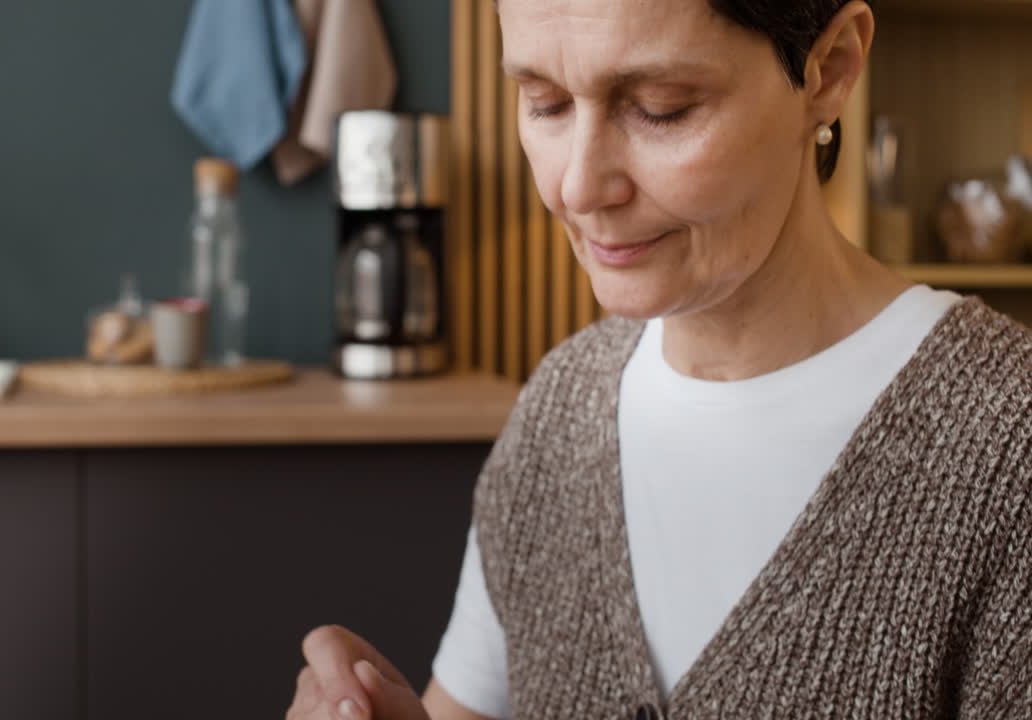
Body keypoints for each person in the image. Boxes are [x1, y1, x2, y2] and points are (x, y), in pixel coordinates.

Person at [287, 0, 1032, 718]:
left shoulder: (1006, 444)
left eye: (661, 107)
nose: (577, 186)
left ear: (829, 70)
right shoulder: (560, 408)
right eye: (544, 103)